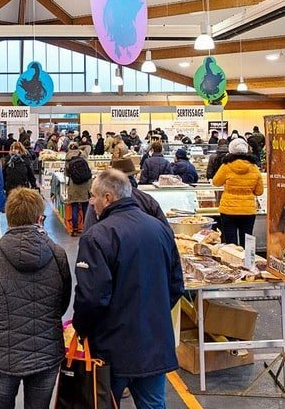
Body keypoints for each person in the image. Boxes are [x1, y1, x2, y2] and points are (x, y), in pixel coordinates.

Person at [73, 169, 183, 407]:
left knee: (105, 402)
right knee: (153, 404)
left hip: (112, 347)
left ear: (108, 198)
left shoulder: (97, 236)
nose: (91, 202)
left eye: (93, 196)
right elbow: (176, 285)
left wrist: (81, 330)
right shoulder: (161, 230)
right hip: (155, 341)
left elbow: (91, 297)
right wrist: (153, 313)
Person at [0, 187, 71, 409]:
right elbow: (62, 304)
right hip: (47, 350)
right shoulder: (58, 254)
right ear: (40, 218)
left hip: (3, 352)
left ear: (9, 217)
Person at [83, 157, 167, 231]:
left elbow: (89, 231)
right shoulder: (147, 199)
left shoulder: (99, 200)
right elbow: (165, 229)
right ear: (133, 175)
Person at [213, 138, 264, 246]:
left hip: (228, 209)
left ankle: (231, 262)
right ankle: (248, 262)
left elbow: (216, 182)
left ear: (231, 150)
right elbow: (259, 191)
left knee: (230, 242)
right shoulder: (254, 167)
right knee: (247, 241)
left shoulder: (226, 166)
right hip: (248, 210)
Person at [64, 142, 92, 236]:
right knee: (85, 206)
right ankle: (85, 228)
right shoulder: (83, 154)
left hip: (74, 185)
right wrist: (79, 148)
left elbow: (67, 174)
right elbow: (88, 146)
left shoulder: (68, 157)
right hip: (85, 184)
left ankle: (75, 229)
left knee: (74, 207)